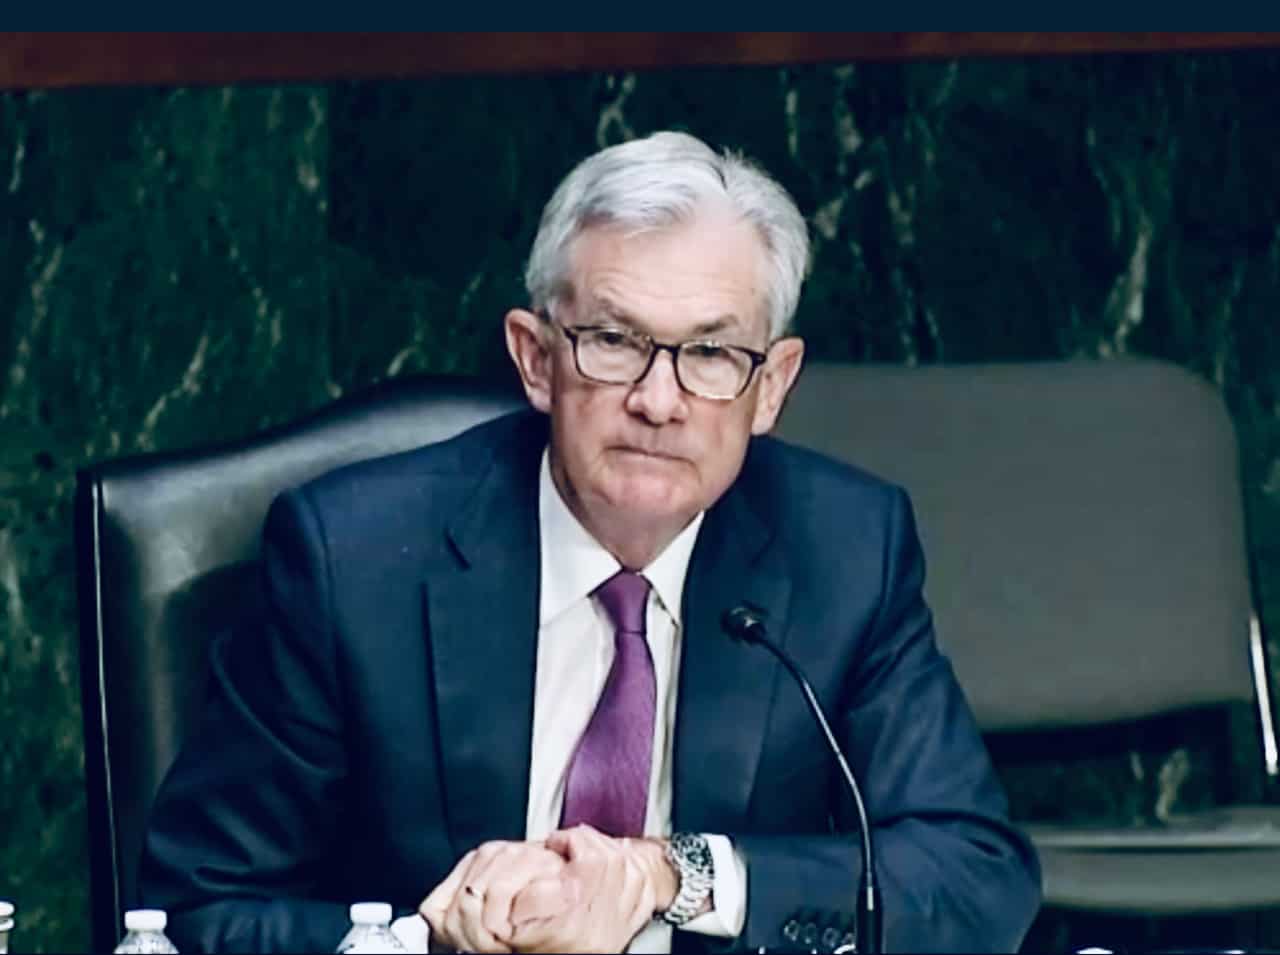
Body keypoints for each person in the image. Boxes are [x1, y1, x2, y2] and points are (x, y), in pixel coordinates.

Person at [138, 130, 1041, 953]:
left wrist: (671, 874)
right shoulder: (353, 558)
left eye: (711, 355)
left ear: (772, 386)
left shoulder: (846, 551)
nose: (658, 400)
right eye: (613, 340)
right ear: (537, 359)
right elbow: (193, 907)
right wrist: (426, 940)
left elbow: (974, 876)